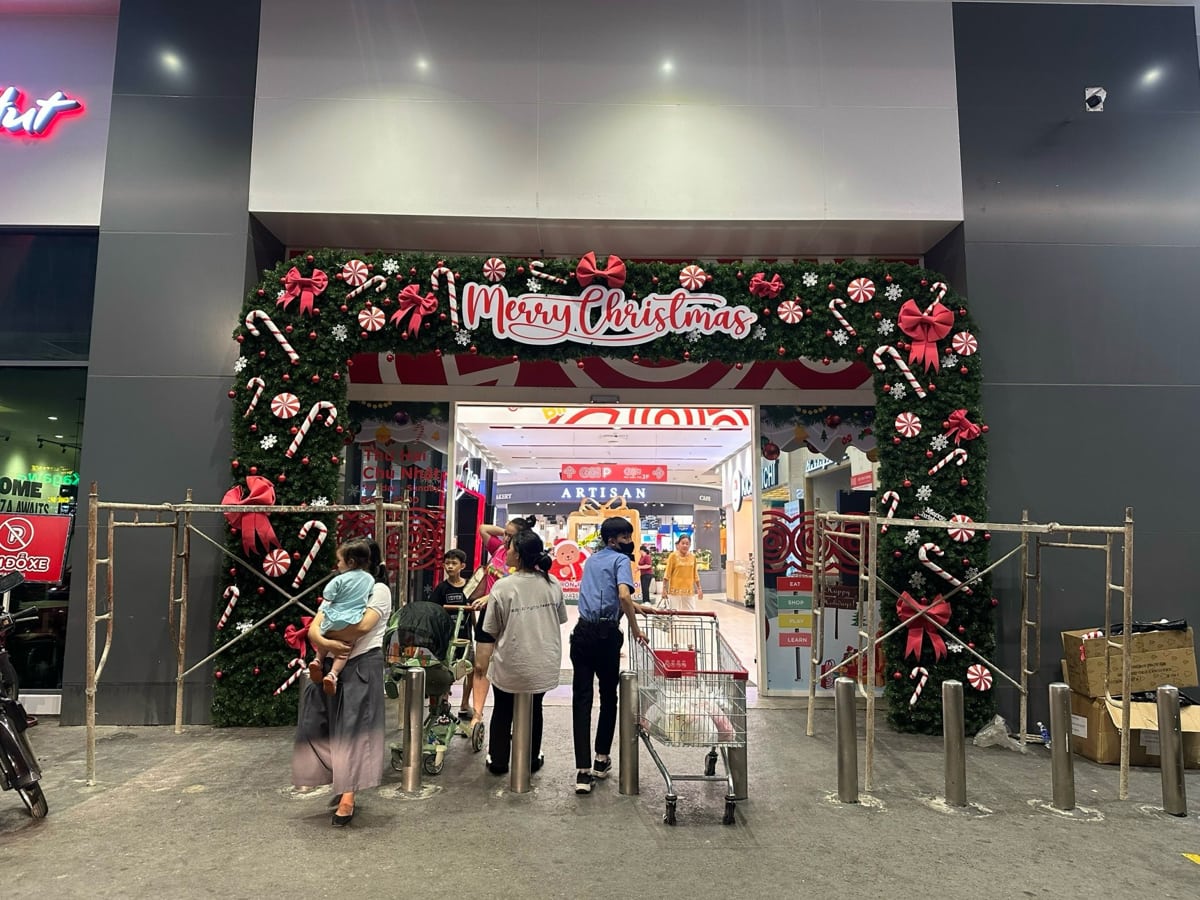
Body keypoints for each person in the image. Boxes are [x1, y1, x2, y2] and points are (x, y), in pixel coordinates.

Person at [293, 540, 392, 827]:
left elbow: (363, 627)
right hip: (330, 662)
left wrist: (327, 638)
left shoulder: (379, 589)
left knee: (354, 730)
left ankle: (349, 795)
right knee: (319, 724)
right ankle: (338, 778)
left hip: (361, 663)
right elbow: (315, 624)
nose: (336, 565)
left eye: (340, 560)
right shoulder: (339, 585)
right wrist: (324, 641)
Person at [571, 516, 653, 795]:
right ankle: (601, 759)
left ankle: (583, 772)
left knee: (581, 699)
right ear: (612, 540)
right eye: (625, 538)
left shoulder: (592, 560)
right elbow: (623, 596)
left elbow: (603, 595)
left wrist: (634, 608)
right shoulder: (621, 561)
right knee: (608, 697)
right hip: (606, 637)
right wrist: (636, 628)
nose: (630, 542)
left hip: (582, 633)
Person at [481, 529, 567, 776]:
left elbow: (491, 628)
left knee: (502, 709)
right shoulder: (553, 584)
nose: (505, 551)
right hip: (544, 664)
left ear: (517, 555)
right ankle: (531, 758)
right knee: (534, 708)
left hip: (511, 664)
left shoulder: (503, 587)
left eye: (509, 547)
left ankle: (498, 760)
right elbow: (561, 618)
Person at [468, 516, 536, 727]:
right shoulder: (498, 549)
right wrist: (506, 531)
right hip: (487, 615)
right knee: (481, 665)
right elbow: (483, 528)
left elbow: (520, 587)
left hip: (512, 618)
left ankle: (514, 716)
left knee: (510, 667)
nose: (505, 538)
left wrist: (490, 596)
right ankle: (477, 714)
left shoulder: (525, 562)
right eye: (505, 534)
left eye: (510, 536)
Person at [306, 539, 375, 695]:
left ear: (350, 562)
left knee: (325, 636)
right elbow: (369, 594)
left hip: (333, 617)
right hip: (353, 619)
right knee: (345, 649)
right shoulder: (370, 579)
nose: (337, 565)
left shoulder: (339, 579)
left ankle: (317, 660)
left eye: (339, 561)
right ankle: (333, 675)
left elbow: (327, 594)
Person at [428, 548, 474, 719]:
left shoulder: (470, 587)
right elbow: (434, 611)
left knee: (471, 670)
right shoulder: (441, 589)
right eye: (447, 563)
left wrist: (476, 630)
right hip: (447, 640)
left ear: (462, 566)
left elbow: (473, 610)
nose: (450, 566)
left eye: (454, 563)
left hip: (465, 638)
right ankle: (443, 704)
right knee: (446, 671)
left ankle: (465, 704)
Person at [663, 534, 703, 611]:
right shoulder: (673, 556)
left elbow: (695, 574)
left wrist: (699, 588)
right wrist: (664, 589)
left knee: (691, 612)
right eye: (683, 543)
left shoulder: (693, 557)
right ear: (679, 544)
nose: (685, 545)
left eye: (687, 543)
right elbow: (667, 573)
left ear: (690, 545)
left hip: (689, 590)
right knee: (675, 613)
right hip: (675, 590)